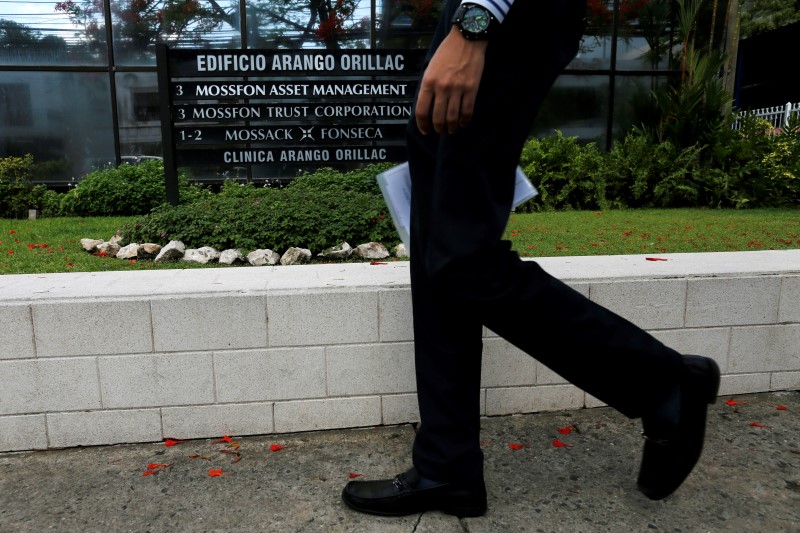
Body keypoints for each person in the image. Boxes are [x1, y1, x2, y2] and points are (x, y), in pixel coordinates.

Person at [341, 0, 721, 517]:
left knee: (460, 258)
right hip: (487, 16)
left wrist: (474, 23)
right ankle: (446, 466)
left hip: (503, 17)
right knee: (438, 256)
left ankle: (662, 382)